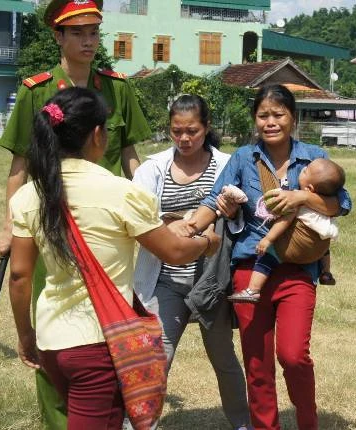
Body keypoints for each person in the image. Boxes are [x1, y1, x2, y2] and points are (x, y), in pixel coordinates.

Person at [8, 88, 220, 430]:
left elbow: (19, 276)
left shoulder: (29, 195)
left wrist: (25, 335)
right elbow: (174, 251)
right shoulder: (122, 192)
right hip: (98, 345)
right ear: (96, 134)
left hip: (51, 342)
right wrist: (207, 243)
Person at [0, 1, 150, 427]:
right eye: (77, 32)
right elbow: (20, 168)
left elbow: (132, 158)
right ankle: (58, 419)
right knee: (54, 320)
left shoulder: (117, 88)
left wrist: (145, 211)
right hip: (52, 223)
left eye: (94, 32)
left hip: (106, 225)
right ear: (58, 36)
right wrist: (9, 227)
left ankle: (103, 410)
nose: (87, 40)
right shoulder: (36, 91)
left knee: (110, 323)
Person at [183, 84, 351, 430]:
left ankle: (308, 422)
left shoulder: (314, 156)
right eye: (263, 115)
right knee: (257, 364)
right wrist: (189, 228)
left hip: (299, 271)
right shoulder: (243, 158)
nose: (270, 122)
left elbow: (341, 204)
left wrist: (300, 199)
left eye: (278, 114)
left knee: (293, 356)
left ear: (292, 117)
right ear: (254, 119)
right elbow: (214, 201)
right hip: (250, 269)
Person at [131, 94, 250, 429]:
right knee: (155, 359)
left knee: (224, 359)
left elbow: (245, 218)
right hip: (164, 280)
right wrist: (175, 224)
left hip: (212, 283)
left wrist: (232, 213)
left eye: (192, 131)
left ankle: (243, 423)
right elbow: (137, 218)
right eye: (176, 131)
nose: (184, 139)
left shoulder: (228, 164)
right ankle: (137, 424)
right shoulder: (153, 168)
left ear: (207, 128)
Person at [227, 158, 343, 303]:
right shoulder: (325, 204)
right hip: (317, 253)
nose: (303, 168)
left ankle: (253, 290)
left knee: (267, 258)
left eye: (305, 171)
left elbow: (284, 221)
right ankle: (326, 272)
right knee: (323, 244)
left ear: (310, 188)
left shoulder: (297, 200)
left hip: (295, 250)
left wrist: (268, 239)